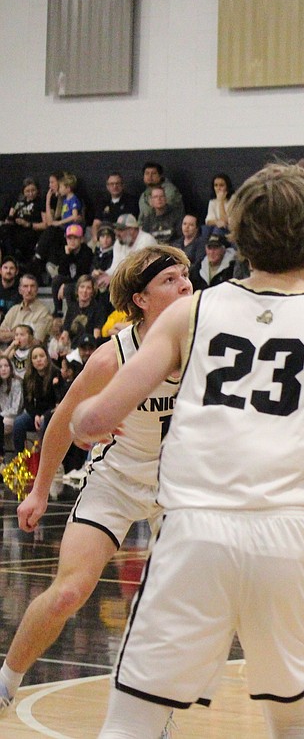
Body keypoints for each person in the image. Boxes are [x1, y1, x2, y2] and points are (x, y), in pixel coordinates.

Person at [70, 163, 304, 739]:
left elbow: (94, 419)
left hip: (193, 533)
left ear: (238, 238)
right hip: (287, 539)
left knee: (132, 722)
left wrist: (85, 418)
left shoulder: (187, 313)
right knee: (292, 723)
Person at [0, 246, 193, 720]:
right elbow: (63, 419)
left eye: (187, 276)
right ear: (141, 299)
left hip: (184, 488)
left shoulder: (212, 343)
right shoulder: (114, 357)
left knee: (175, 603)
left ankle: (156, 717)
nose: (186, 285)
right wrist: (40, 489)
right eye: (170, 280)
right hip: (118, 480)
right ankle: (6, 681)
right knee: (69, 592)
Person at [0, 273, 53, 345]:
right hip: (10, 353)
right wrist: (22, 335)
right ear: (20, 290)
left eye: (32, 286)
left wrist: (12, 333)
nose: (29, 290)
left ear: (37, 290)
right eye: (25, 286)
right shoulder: (14, 310)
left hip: (31, 354)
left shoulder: (44, 312)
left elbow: (36, 341)